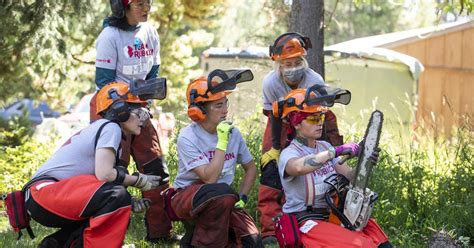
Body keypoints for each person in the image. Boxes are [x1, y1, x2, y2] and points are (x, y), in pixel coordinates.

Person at [25, 82, 163, 248]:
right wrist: (138, 180)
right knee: (117, 196)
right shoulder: (110, 128)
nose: (144, 119)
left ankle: (56, 244)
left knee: (117, 199)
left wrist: (130, 201)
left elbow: (100, 183)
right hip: (45, 194)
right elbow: (104, 174)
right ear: (121, 110)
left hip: (42, 196)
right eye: (139, 112)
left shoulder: (105, 129)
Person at [89, 0, 174, 242]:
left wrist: (145, 107)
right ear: (122, 6)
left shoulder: (150, 32)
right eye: (139, 3)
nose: (146, 8)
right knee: (114, 172)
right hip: (112, 110)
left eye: (148, 2)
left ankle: (161, 233)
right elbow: (104, 84)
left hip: (141, 107)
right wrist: (124, 115)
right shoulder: (109, 36)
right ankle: (110, 236)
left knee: (157, 169)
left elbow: (153, 73)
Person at [275, 87, 391, 247]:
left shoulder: (323, 146)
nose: (320, 123)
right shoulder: (289, 154)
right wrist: (336, 151)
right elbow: (299, 168)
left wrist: (365, 162)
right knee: (360, 244)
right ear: (296, 122)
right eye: (313, 119)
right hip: (306, 220)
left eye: (321, 117)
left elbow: (350, 176)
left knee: (377, 238)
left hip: (333, 213)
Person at [258, 32, 344, 244]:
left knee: (331, 165)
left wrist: (321, 149)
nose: (293, 66)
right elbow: (274, 115)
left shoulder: (314, 79)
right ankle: (270, 228)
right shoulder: (271, 83)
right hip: (280, 118)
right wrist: (276, 148)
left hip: (315, 117)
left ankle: (331, 213)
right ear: (279, 63)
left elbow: (320, 116)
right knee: (270, 168)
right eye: (288, 62)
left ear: (303, 60)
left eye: (297, 61)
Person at [170, 69, 263, 247]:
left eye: (225, 104)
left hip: (224, 197)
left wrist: (242, 197)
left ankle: (193, 240)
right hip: (187, 196)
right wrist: (221, 141)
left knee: (253, 241)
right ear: (199, 111)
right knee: (220, 192)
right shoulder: (188, 137)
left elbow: (250, 168)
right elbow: (210, 179)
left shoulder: (233, 133)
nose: (225, 111)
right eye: (218, 106)